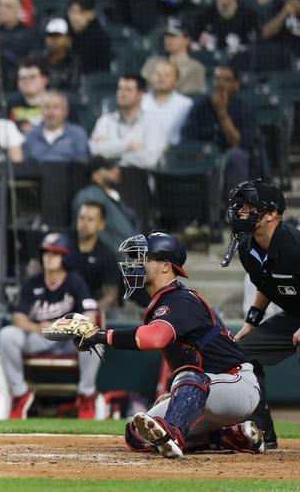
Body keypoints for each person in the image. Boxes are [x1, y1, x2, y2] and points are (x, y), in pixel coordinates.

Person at [75, 232, 264, 457]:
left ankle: (173, 434)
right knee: (137, 434)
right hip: (210, 389)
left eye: (144, 258)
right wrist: (180, 397)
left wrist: (99, 336)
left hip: (236, 383)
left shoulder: (179, 299)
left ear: (166, 266)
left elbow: (153, 338)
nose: (135, 264)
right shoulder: (164, 300)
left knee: (188, 378)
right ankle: (228, 436)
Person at [227, 179, 299, 452]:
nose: (241, 212)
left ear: (271, 214)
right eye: (240, 207)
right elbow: (265, 284)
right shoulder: (247, 247)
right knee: (241, 353)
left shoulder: (293, 245)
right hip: (294, 316)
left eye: (248, 207)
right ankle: (261, 432)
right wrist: (251, 322)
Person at [0, 232, 100, 420]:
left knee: (94, 339)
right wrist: (35, 328)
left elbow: (91, 318)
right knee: (7, 335)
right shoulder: (32, 283)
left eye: (55, 253)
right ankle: (20, 394)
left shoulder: (75, 282)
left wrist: (64, 326)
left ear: (65, 257)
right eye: (46, 253)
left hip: (68, 340)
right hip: (39, 337)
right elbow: (18, 318)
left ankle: (87, 396)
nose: (49, 257)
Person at [181, 66, 254, 196]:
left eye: (226, 80)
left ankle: (235, 205)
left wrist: (222, 113)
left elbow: (239, 143)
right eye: (217, 79)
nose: (220, 83)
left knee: (236, 155)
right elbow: (188, 138)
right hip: (203, 155)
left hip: (230, 156)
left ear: (236, 85)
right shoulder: (199, 106)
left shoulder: (244, 108)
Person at [89, 74, 166, 170]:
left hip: (139, 175)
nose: (122, 94)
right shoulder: (105, 120)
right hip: (108, 175)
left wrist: (111, 153)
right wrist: (128, 146)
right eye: (120, 89)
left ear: (140, 94)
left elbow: (150, 160)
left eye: (128, 90)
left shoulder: (153, 123)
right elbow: (94, 150)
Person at [193, 0, 257, 57]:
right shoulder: (205, 15)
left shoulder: (248, 16)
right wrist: (200, 45)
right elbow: (193, 49)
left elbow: (254, 50)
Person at [72, 202, 121, 311]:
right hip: (59, 307)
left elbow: (111, 295)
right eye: (81, 218)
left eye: (90, 219)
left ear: (101, 224)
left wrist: (92, 311)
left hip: (90, 310)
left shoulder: (107, 255)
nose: (84, 223)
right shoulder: (64, 245)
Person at [141, 19, 206, 95]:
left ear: (187, 40)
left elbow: (190, 96)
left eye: (173, 36)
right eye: (166, 36)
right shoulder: (152, 61)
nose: (168, 39)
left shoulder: (196, 68)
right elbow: (141, 88)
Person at [23, 91, 89, 163]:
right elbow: (25, 164)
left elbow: (82, 163)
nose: (51, 112)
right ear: (41, 111)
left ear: (65, 111)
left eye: (56, 107)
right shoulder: (31, 135)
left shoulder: (77, 134)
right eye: (47, 107)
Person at [141, 60, 193, 147]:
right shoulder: (140, 101)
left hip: (174, 151)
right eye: (157, 74)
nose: (161, 78)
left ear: (176, 81)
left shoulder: (186, 104)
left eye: (167, 75)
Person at [67, 0, 111, 74]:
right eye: (72, 12)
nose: (74, 17)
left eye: (80, 12)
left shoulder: (100, 38)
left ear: (91, 14)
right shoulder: (65, 34)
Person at [0, 0, 40, 68]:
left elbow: (33, 61)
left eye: (8, 6)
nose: (2, 10)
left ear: (19, 9)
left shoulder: (30, 35)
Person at [7, 59, 49, 132]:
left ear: (44, 80)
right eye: (22, 78)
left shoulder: (58, 104)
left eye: (32, 77)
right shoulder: (9, 104)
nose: (27, 81)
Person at [41, 18, 80, 91]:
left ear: (68, 40)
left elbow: (73, 87)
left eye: (58, 36)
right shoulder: (38, 59)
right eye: (50, 36)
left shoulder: (74, 61)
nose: (53, 40)